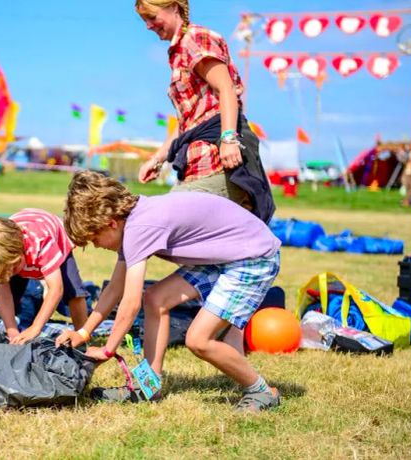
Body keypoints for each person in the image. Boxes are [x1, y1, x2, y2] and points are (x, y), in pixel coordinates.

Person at [55, 171, 282, 412]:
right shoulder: (129, 222)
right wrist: (84, 332)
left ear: (110, 223)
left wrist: (108, 348)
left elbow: (130, 303)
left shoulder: (139, 228)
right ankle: (148, 387)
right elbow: (114, 289)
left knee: (198, 340)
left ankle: (262, 391)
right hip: (226, 256)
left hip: (253, 256)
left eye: (94, 239)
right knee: (155, 299)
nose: (97, 246)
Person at [134, 0, 274, 222]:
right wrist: (158, 159)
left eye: (151, 17)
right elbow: (187, 123)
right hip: (195, 166)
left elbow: (226, 88)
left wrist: (228, 139)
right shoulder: (177, 52)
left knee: (157, 220)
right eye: (144, 21)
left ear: (173, 7)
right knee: (185, 242)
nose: (148, 26)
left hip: (218, 162)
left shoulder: (196, 39)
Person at [0, 209, 89, 345]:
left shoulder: (42, 243)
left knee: (74, 291)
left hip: (56, 238)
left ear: (19, 252)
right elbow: (3, 296)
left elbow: (56, 289)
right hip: (21, 249)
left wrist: (35, 328)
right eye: (5, 275)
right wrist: (12, 331)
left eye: (13, 269)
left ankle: (82, 337)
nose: (9, 275)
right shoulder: (0, 256)